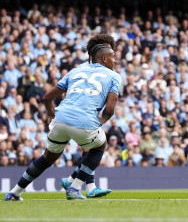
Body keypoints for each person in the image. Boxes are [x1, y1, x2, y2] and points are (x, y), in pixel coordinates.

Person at [4, 40, 121, 201]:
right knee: (99, 146)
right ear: (104, 59)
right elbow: (109, 109)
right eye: (113, 57)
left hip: (60, 118)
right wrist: (101, 121)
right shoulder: (114, 76)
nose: (115, 61)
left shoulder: (76, 70)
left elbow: (46, 97)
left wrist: (52, 114)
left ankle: (14, 193)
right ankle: (74, 187)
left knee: (47, 158)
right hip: (85, 121)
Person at [60, 34, 116, 198]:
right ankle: (86, 187)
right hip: (79, 115)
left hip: (88, 114)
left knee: (91, 149)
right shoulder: (84, 68)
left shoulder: (101, 69)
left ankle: (72, 181)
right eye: (107, 47)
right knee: (92, 148)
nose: (110, 53)